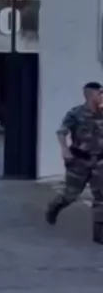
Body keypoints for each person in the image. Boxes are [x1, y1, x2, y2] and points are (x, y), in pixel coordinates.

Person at [45, 81, 103, 243]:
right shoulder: (76, 114)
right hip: (79, 161)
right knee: (71, 194)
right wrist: (64, 149)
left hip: (100, 161)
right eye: (100, 93)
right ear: (90, 95)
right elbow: (62, 132)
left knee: (101, 197)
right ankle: (54, 207)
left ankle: (99, 234)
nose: (102, 96)